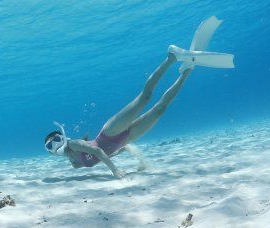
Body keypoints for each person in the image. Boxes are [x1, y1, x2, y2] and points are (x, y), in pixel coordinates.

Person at [44, 16, 234, 179]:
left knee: (145, 97)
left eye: (56, 139)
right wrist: (138, 159)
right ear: (51, 153)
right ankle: (186, 71)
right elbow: (112, 153)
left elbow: (97, 151)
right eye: (51, 146)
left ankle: (171, 57)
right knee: (161, 108)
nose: (56, 145)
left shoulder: (74, 144)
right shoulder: (74, 163)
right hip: (123, 140)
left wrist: (115, 171)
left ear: (63, 136)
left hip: (109, 132)